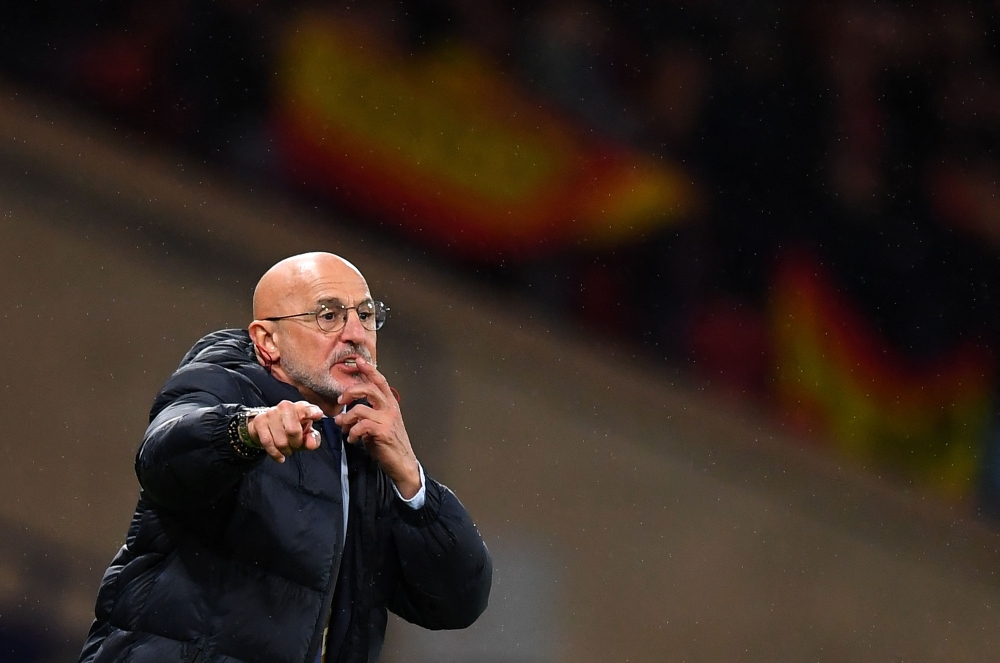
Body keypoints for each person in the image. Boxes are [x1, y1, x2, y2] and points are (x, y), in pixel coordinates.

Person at [79, 252, 492, 663]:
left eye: (366, 315)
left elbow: (457, 601)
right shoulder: (224, 384)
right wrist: (245, 431)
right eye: (328, 315)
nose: (356, 334)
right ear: (267, 341)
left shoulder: (370, 450)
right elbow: (164, 459)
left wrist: (411, 479)